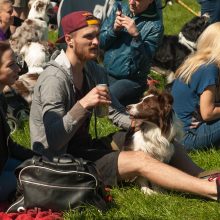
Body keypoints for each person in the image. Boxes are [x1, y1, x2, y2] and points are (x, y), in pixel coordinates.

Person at [29, 11, 220, 201]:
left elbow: (115, 112)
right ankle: (211, 190)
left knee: (159, 138)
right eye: (88, 36)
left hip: (84, 148)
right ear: (69, 39)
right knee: (141, 159)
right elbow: (53, 140)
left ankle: (204, 176)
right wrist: (83, 104)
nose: (96, 41)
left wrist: (139, 123)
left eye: (97, 35)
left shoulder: (92, 70)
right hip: (58, 163)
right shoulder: (54, 79)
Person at [99, 0, 163, 106]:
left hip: (131, 80)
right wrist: (114, 30)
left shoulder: (155, 26)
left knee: (104, 101)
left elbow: (144, 65)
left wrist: (136, 37)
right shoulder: (119, 7)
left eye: (137, 0)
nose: (131, 2)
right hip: (106, 71)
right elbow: (101, 43)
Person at [172, 22, 220, 151]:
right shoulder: (209, 69)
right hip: (187, 137)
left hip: (176, 133)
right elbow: (208, 113)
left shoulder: (196, 62)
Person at [0, 41, 35, 202]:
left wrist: (37, 157)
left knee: (37, 170)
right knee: (35, 181)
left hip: (4, 163)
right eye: (11, 65)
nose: (18, 69)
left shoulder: (1, 98)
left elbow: (8, 145)